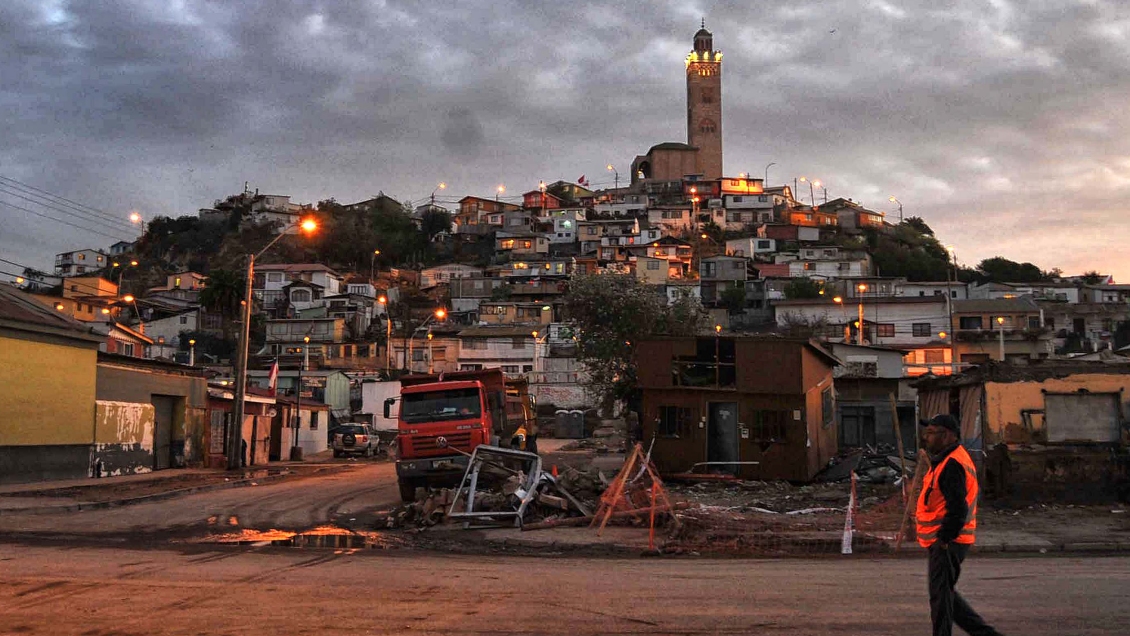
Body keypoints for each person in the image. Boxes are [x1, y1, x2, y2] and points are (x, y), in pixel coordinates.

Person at [917, 414, 1003, 636]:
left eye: (931, 433)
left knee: (941, 598)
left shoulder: (952, 463)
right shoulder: (947, 460)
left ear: (947, 436)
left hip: (948, 541)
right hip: (946, 540)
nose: (927, 438)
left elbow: (957, 508)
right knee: (945, 595)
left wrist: (944, 539)